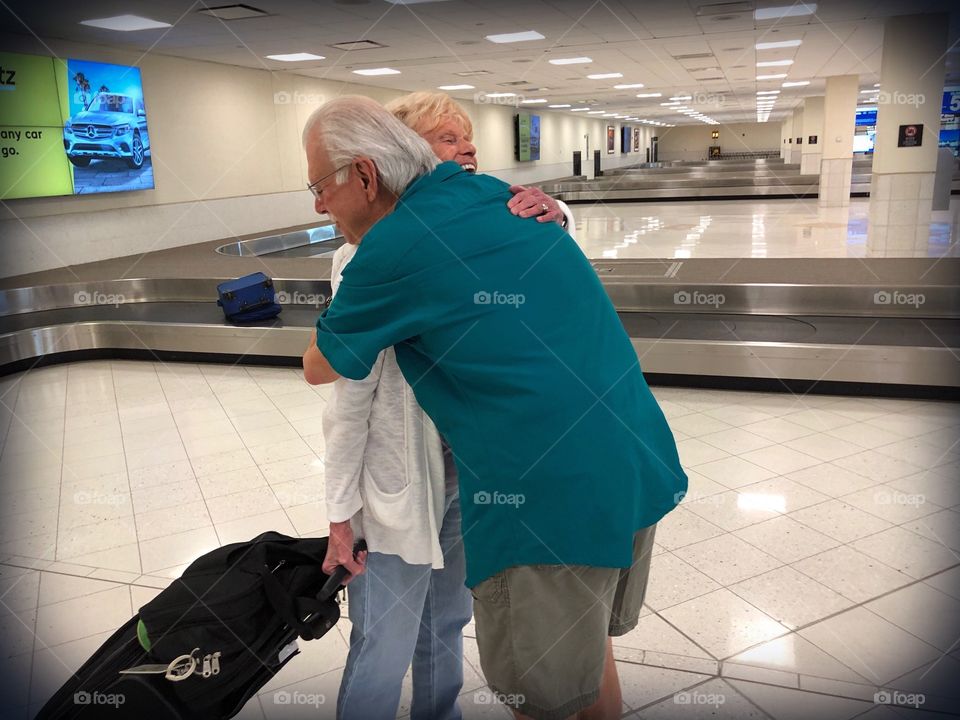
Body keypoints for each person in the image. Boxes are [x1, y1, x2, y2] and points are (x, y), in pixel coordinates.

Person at [303, 96, 686, 720]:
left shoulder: (390, 249)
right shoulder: (502, 202)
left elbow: (321, 367)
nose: (318, 204)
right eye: (445, 139)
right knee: (584, 665)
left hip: (545, 499)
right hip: (632, 461)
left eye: (320, 185)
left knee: (539, 696)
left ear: (368, 175)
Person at [321, 92, 577, 720]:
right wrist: (339, 513)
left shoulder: (477, 228)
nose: (466, 148)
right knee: (385, 634)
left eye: (467, 138)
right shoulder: (365, 258)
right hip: (398, 485)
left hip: (468, 471)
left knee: (448, 618)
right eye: (445, 138)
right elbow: (349, 398)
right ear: (402, 158)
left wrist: (559, 211)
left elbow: (550, 262)